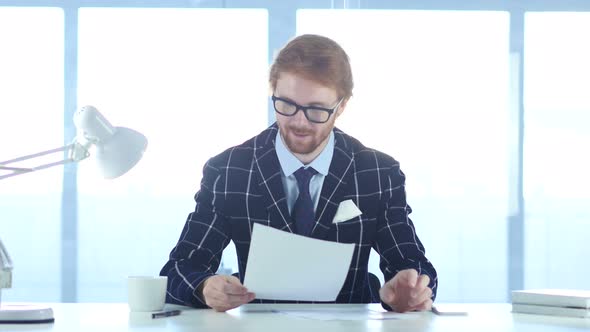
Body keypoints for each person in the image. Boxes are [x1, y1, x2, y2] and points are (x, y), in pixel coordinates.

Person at [160, 34, 437, 313]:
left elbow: (413, 265)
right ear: (273, 93)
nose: (299, 121)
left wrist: (411, 290)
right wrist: (205, 287)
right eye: (286, 105)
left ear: (341, 106)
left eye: (316, 109)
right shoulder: (230, 169)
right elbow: (180, 269)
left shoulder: (377, 172)